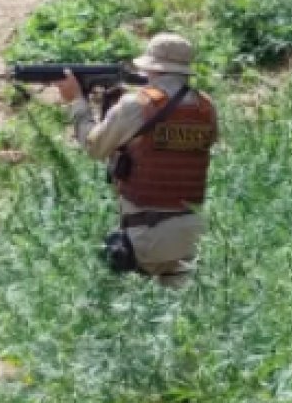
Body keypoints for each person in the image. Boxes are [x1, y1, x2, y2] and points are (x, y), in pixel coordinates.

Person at [56, 33, 218, 287]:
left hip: (146, 238)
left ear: (152, 68)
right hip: (193, 237)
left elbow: (94, 147)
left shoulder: (135, 105)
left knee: (100, 288)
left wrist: (76, 101)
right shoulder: (206, 108)